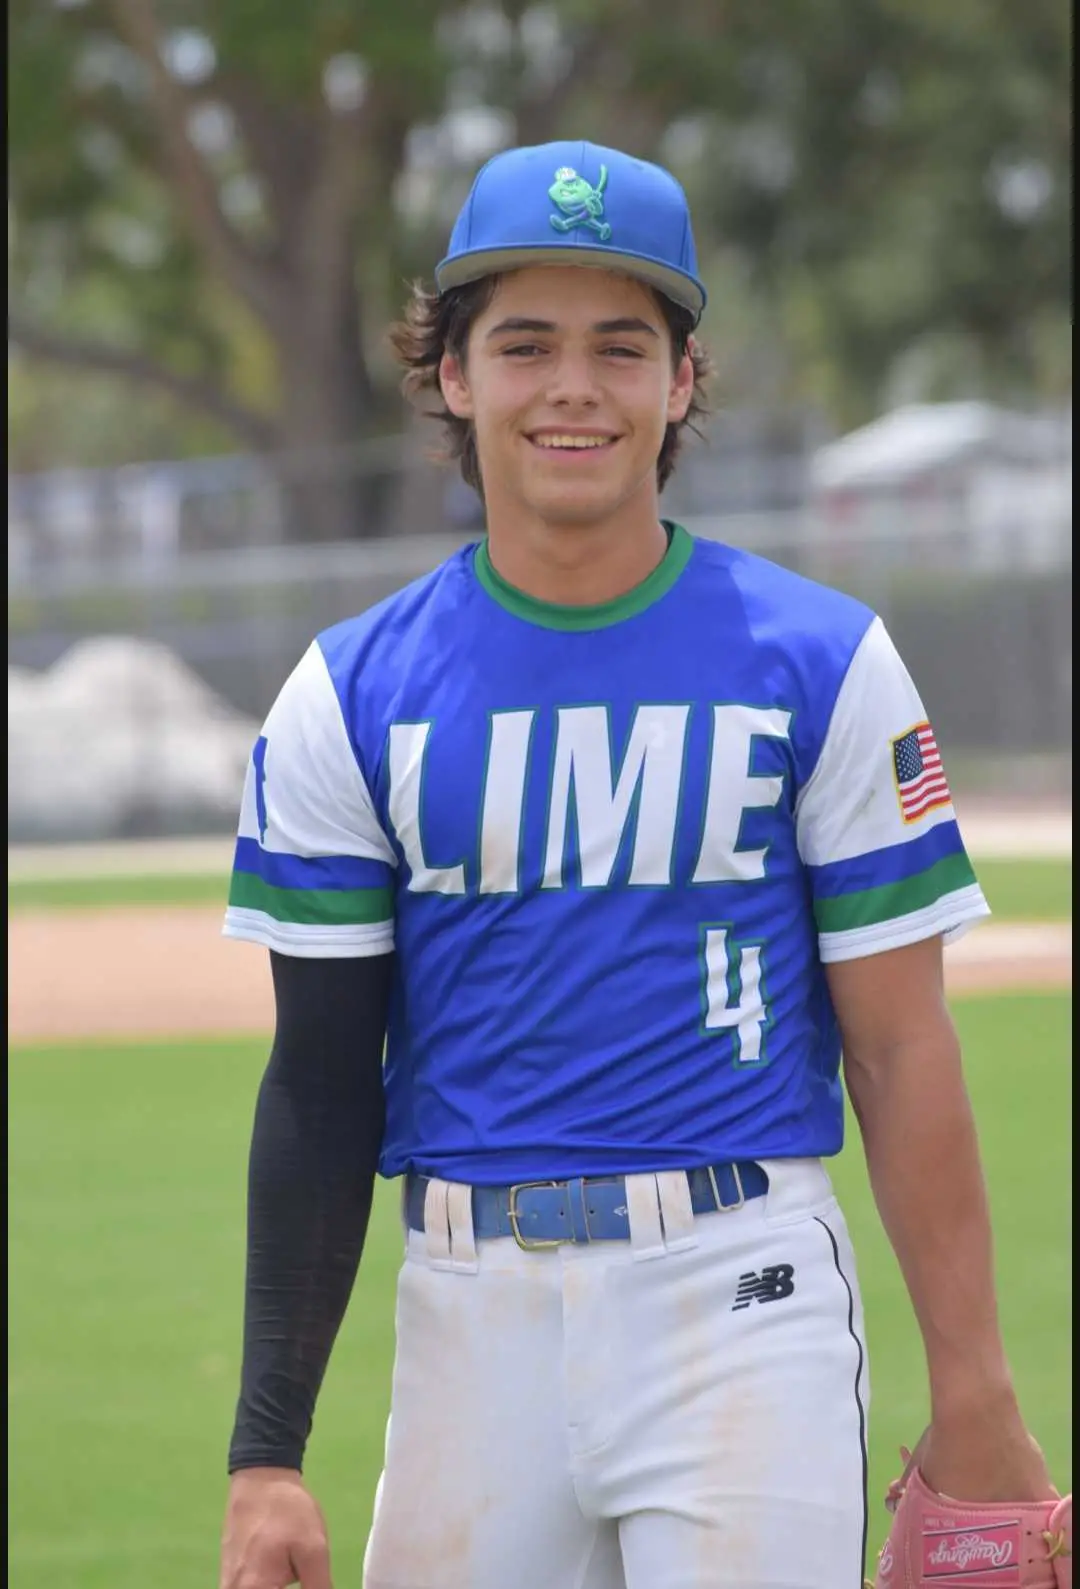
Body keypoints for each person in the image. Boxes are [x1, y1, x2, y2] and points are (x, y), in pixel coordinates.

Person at [218, 140, 1057, 1589]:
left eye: (622, 346)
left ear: (681, 382)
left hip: (745, 1289)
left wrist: (977, 1395)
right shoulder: (346, 694)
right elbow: (318, 1082)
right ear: (454, 375)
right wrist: (266, 1456)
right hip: (468, 1308)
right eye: (525, 344)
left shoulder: (823, 659)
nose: (574, 387)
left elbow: (903, 1048)